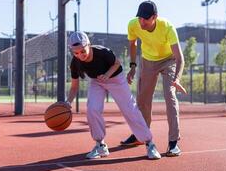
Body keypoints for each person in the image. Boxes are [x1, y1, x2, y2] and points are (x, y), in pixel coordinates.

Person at [66, 31, 161, 160]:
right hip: (97, 81)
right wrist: (67, 103)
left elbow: (117, 63)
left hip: (115, 78)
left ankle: (150, 144)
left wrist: (107, 75)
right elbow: (74, 87)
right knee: (92, 109)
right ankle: (100, 145)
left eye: (83, 51)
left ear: (89, 44)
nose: (80, 55)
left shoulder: (102, 52)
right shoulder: (75, 63)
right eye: (76, 53)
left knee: (129, 109)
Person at [120, 0, 185, 157]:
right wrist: (133, 67)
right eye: (140, 18)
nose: (141, 22)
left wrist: (177, 79)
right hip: (148, 61)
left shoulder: (167, 27)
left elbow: (180, 58)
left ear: (154, 17)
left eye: (145, 19)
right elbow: (133, 44)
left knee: (170, 96)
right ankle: (140, 135)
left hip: (168, 60)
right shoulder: (133, 24)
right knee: (142, 100)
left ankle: (173, 143)